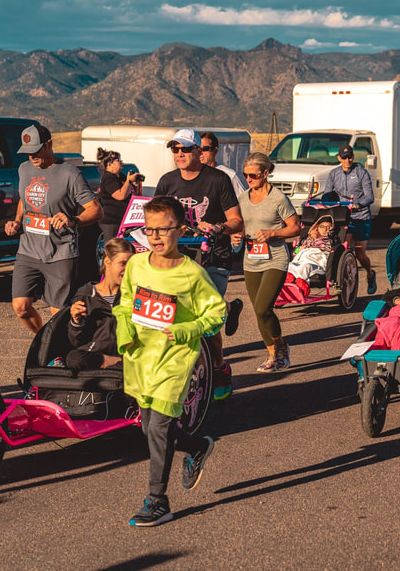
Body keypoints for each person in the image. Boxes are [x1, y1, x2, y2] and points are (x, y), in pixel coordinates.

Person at [114, 196, 223, 527]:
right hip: (141, 359)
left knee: (159, 428)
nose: (156, 237)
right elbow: (126, 301)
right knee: (150, 429)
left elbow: (217, 313)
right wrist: (125, 333)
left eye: (164, 229)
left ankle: (157, 501)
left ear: (180, 229)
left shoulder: (192, 274)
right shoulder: (136, 265)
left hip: (175, 361)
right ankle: (196, 445)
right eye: (149, 230)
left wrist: (188, 329)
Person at [154, 129, 243, 401]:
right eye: (175, 150)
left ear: (198, 151)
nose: (179, 155)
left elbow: (237, 221)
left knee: (206, 322)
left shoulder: (218, 180)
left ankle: (218, 367)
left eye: (185, 150)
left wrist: (217, 227)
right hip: (177, 259)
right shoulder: (167, 181)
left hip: (213, 257)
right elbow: (153, 216)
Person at [5, 124, 103, 335]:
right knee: (20, 307)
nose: (31, 156)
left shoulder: (70, 174)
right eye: (27, 152)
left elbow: (96, 211)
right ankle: (44, 340)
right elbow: (25, 199)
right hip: (28, 250)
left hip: (60, 253)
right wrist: (17, 221)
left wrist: (72, 220)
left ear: (49, 144)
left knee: (58, 312)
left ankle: (58, 348)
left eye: (36, 150)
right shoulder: (24, 169)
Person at [232, 152, 301, 372]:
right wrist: (236, 235)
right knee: (259, 310)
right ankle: (274, 356)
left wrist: (273, 233)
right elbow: (240, 225)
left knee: (263, 308)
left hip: (275, 259)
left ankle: (280, 347)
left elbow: (295, 227)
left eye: (252, 175)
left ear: (265, 173)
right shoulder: (243, 198)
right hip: (251, 259)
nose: (248, 179)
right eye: (245, 175)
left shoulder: (278, 198)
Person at [64, 237, 134, 371]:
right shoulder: (86, 295)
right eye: (123, 263)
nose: (128, 269)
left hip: (125, 353)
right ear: (107, 262)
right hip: (95, 355)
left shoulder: (134, 294)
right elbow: (76, 341)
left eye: (131, 265)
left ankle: (118, 366)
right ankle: (115, 364)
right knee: (73, 358)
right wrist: (76, 322)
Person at [322, 144, 377, 293]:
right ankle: (341, 278)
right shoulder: (334, 174)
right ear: (339, 158)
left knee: (360, 253)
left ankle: (370, 274)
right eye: (344, 157)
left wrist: (359, 205)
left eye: (350, 157)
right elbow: (328, 194)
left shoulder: (361, 173)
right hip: (343, 218)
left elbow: (370, 197)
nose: (348, 160)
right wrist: (326, 201)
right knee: (341, 248)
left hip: (361, 218)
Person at [284, 214, 337, 301]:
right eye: (322, 226)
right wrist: (310, 240)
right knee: (289, 265)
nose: (325, 229)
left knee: (306, 267)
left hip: (317, 263)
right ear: (317, 228)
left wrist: (316, 240)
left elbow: (328, 249)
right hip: (302, 259)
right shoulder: (307, 239)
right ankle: (288, 282)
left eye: (328, 227)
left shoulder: (330, 240)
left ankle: (301, 285)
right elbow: (296, 251)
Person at [96, 148, 143, 243]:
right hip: (111, 221)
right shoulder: (108, 178)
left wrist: (135, 184)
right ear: (110, 164)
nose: (121, 161)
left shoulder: (120, 176)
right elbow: (120, 195)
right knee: (113, 247)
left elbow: (132, 194)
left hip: (122, 220)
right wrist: (128, 181)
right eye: (117, 160)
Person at [199, 132, 247, 197]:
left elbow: (243, 202)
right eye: (197, 149)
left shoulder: (230, 176)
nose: (200, 153)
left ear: (215, 151)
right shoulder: (190, 175)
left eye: (205, 149)